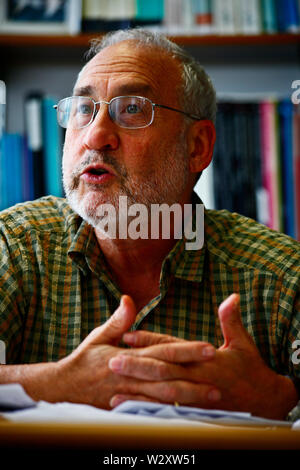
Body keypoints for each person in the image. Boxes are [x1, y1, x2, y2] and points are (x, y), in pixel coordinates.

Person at [0, 28, 299, 421]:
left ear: (197, 147)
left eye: (132, 109)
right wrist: (59, 383)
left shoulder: (280, 277)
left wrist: (281, 399)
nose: (96, 135)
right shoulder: (18, 247)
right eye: (84, 109)